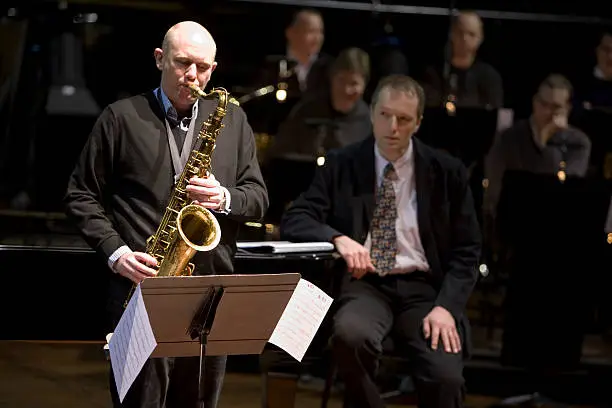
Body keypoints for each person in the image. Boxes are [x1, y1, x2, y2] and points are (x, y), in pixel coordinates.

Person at [64, 21, 268, 408]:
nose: (193, 76)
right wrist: (118, 254)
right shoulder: (120, 118)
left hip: (208, 293)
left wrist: (224, 197)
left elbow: (257, 198)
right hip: (140, 289)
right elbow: (80, 195)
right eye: (182, 63)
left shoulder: (234, 120)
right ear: (160, 59)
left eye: (203, 68)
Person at [280, 74, 482, 408]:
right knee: (350, 336)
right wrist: (338, 238)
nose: (392, 127)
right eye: (385, 115)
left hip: (425, 289)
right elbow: (296, 218)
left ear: (417, 123)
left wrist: (446, 308)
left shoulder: (447, 171)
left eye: (403, 119)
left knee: (446, 376)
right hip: (366, 283)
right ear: (372, 114)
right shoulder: (343, 163)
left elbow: (468, 250)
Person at [421, 10, 504, 109]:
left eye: (471, 34)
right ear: (451, 34)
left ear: (480, 38)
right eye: (460, 32)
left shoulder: (489, 76)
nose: (465, 38)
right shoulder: (433, 73)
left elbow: (496, 113)